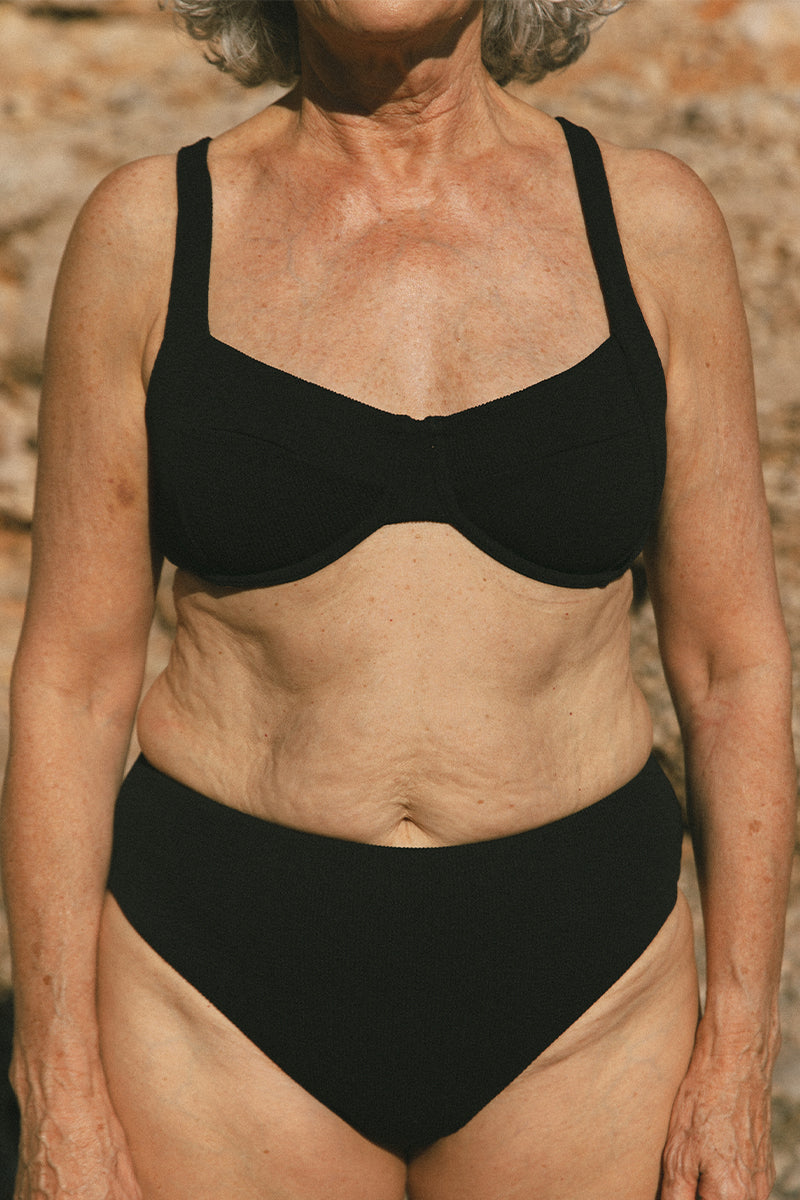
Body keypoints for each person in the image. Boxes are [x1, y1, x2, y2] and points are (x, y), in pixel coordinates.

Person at [1, 0, 795, 1197]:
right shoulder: (149, 235)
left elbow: (732, 665)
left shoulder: (651, 227)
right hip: (214, 998)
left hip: (583, 1004)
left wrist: (736, 1056)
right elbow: (70, 678)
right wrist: (55, 1081)